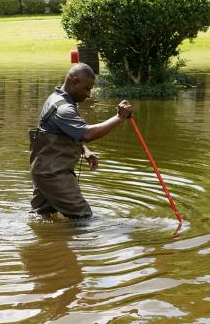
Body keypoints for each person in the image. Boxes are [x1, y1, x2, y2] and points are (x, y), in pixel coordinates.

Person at [29, 63, 132, 219]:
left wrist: (85, 151)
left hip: (42, 171)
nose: (89, 94)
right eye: (87, 89)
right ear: (73, 81)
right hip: (53, 174)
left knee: (42, 216)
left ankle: (45, 242)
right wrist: (119, 117)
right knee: (83, 217)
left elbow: (66, 134)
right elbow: (87, 134)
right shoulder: (63, 108)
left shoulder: (58, 99)